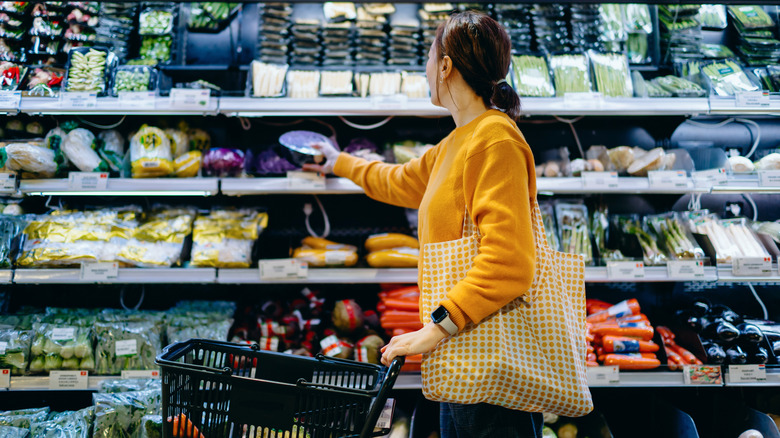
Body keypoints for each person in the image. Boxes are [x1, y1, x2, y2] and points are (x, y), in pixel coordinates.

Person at [304, 10, 542, 438]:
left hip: (492, 367)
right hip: (465, 356)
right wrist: (336, 160)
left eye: (429, 57)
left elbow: (511, 261)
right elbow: (396, 180)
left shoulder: (496, 140)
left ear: (446, 65)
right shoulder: (457, 142)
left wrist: (434, 329)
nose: (425, 69)